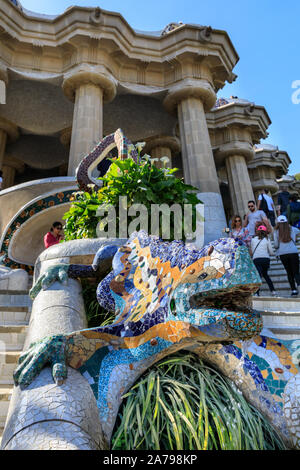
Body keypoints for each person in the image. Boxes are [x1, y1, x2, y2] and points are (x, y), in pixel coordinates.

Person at [273, 215, 300, 296]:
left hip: (283, 254)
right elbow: (298, 231)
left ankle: (294, 290)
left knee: (289, 272)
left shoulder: (276, 232)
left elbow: (276, 245)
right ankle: (299, 285)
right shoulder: (292, 229)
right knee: (296, 272)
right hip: (293, 252)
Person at [250, 225, 277, 297]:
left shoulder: (253, 239)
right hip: (265, 259)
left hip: (257, 259)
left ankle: (257, 293)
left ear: (257, 231)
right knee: (265, 275)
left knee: (258, 276)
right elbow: (271, 252)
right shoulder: (267, 239)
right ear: (265, 232)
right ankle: (273, 291)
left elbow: (252, 251)